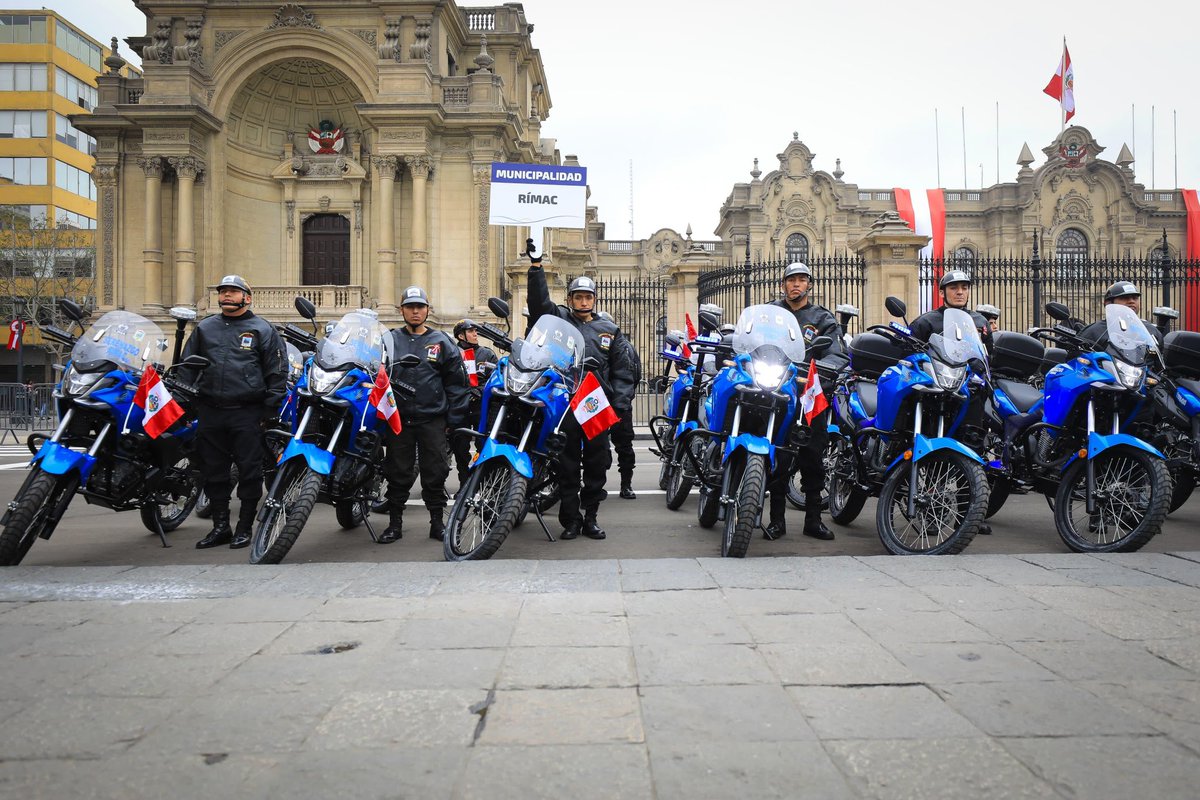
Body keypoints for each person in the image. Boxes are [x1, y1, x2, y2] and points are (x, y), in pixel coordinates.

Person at [527, 242, 637, 540]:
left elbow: (622, 371)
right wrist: (537, 268)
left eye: (588, 297)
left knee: (596, 462)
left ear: (594, 300)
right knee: (566, 463)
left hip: (595, 403)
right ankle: (571, 520)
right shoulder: (560, 319)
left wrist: (619, 404)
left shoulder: (609, 330)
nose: (584, 301)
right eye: (579, 296)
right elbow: (539, 307)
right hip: (563, 401)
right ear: (571, 298)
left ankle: (590, 517)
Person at [184, 275, 288, 549]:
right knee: (213, 471)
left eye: (234, 291)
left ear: (247, 297)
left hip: (247, 411)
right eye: (223, 291)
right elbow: (188, 368)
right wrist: (185, 401)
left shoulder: (262, 329)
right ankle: (220, 527)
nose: (227, 295)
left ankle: (244, 527)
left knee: (249, 471)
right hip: (210, 410)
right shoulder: (205, 328)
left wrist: (269, 409)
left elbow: (277, 372)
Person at [379, 286, 471, 544]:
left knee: (436, 472)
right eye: (410, 307)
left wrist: (453, 421)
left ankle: (437, 523)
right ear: (402, 311)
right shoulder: (389, 340)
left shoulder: (442, 342)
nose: (415, 311)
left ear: (428, 310)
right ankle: (394, 524)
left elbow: (456, 384)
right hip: (399, 421)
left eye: (420, 307)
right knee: (397, 472)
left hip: (432, 420)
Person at [765, 262, 844, 541]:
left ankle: (813, 520)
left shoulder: (822, 318)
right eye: (791, 280)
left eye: (801, 280)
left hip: (808, 395)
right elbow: (752, 341)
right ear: (783, 284)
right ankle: (776, 521)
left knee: (813, 456)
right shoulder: (772, 313)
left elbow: (836, 353)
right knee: (777, 457)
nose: (795, 284)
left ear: (809, 284)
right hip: (776, 391)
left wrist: (822, 371)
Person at [596, 310, 642, 499]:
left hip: (617, 403)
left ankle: (624, 484)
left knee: (619, 446)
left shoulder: (625, 347)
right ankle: (623, 486)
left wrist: (623, 399)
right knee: (603, 447)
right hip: (604, 403)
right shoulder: (622, 346)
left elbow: (634, 374)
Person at [450, 318, 498, 485]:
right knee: (460, 448)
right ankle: (464, 484)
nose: (475, 334)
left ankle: (481, 483)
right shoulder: (453, 353)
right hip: (459, 407)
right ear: (461, 336)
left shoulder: (487, 354)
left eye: (475, 331)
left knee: (483, 444)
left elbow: (495, 378)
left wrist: (478, 391)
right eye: (471, 331)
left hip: (481, 407)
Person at [909, 270, 994, 350]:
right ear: (942, 293)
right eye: (953, 288)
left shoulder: (981, 321)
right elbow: (907, 349)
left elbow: (990, 354)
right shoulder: (925, 322)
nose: (960, 292)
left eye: (964, 288)